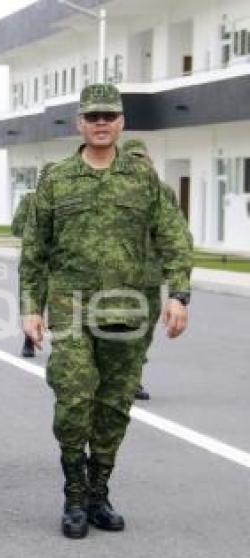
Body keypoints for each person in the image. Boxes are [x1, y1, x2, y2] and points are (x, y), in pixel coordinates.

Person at [19, 84, 193, 539]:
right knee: (74, 400)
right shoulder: (56, 179)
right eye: (92, 116)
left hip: (130, 310)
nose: (101, 123)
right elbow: (34, 249)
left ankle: (99, 493)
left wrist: (179, 294)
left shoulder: (144, 181)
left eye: (109, 116)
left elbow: (174, 238)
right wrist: (29, 309)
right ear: (79, 123)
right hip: (70, 306)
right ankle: (74, 494)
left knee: (114, 408)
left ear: (121, 123)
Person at [120, 138, 191, 401]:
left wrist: (178, 284)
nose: (138, 165)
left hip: (149, 276)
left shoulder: (163, 192)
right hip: (117, 277)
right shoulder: (112, 191)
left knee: (144, 328)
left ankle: (133, 378)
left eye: (142, 159)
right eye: (132, 160)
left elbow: (178, 233)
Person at [10, 162, 54, 359]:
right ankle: (29, 340)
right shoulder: (30, 200)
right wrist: (34, 234)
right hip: (37, 259)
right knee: (33, 301)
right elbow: (17, 227)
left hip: (60, 261)